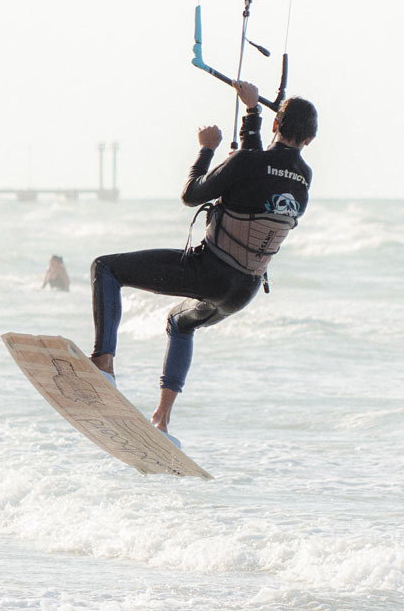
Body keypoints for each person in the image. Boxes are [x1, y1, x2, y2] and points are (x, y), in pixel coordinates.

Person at [90, 80, 317, 434]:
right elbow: (259, 168)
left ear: (276, 124)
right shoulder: (303, 178)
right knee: (180, 324)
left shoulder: (247, 163)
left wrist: (207, 150)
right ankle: (161, 419)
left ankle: (103, 364)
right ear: (309, 141)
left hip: (209, 271)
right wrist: (253, 112)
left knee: (105, 269)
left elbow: (191, 195)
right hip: (243, 291)